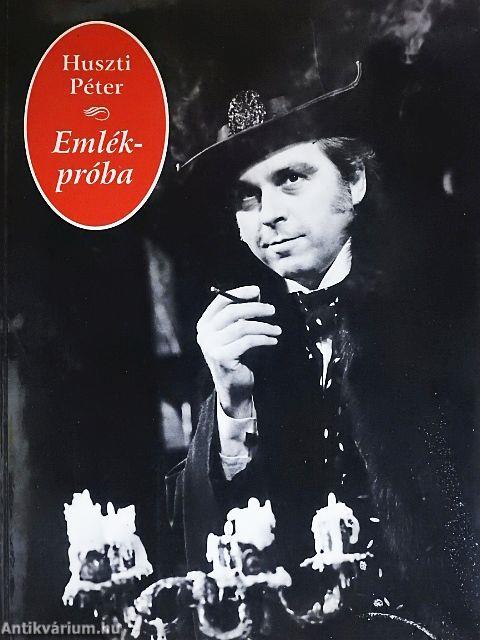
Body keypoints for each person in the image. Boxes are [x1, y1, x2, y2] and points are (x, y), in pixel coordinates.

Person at [167, 62, 480, 639]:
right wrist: (233, 406)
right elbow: (218, 563)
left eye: (291, 179)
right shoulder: (239, 338)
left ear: (354, 181)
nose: (269, 214)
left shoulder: (453, 307)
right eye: (246, 198)